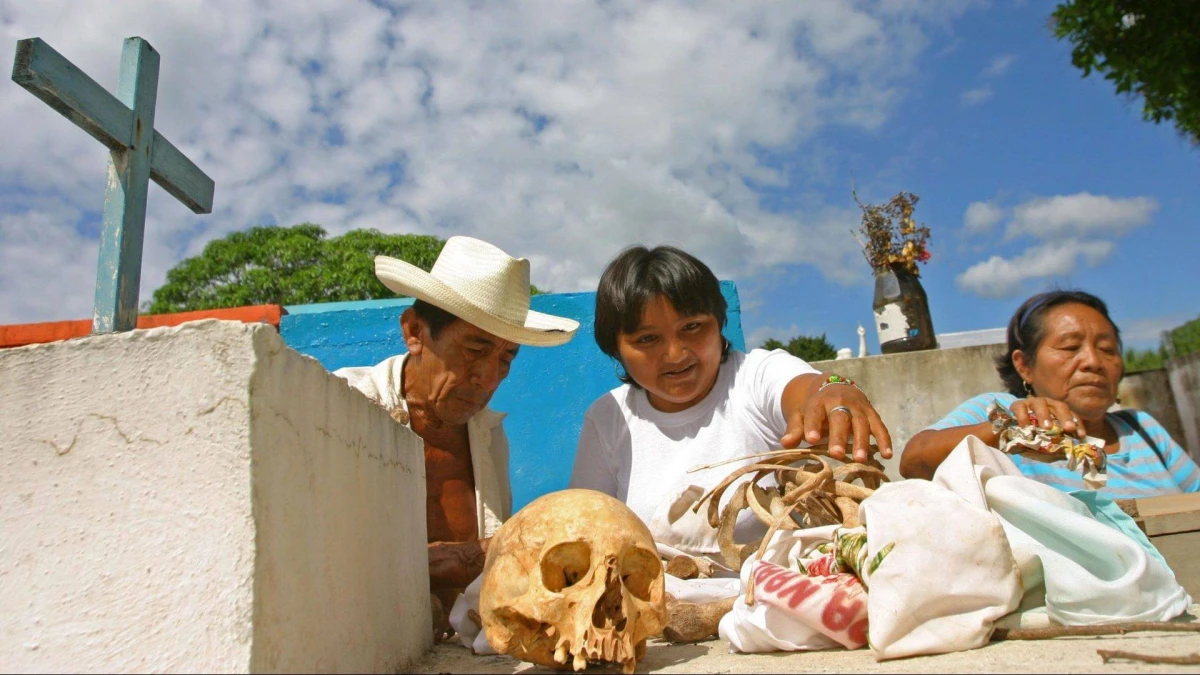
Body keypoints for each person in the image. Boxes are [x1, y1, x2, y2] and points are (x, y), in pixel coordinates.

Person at [568, 245, 893, 565]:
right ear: (616, 349)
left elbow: (808, 388)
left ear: (718, 322)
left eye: (692, 327)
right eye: (647, 339)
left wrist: (834, 390)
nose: (676, 353)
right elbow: (584, 530)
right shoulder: (608, 417)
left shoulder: (754, 376)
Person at [332, 236, 578, 625]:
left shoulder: (489, 435)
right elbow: (326, 558)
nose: (488, 378)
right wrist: (465, 558)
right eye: (475, 348)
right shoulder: (342, 408)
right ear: (414, 332)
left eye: (506, 357)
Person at [901, 290, 1200, 497]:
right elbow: (914, 460)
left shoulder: (1142, 429)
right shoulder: (1000, 411)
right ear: (1024, 366)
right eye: (1070, 348)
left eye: (1107, 349)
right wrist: (1008, 433)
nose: (1093, 362)